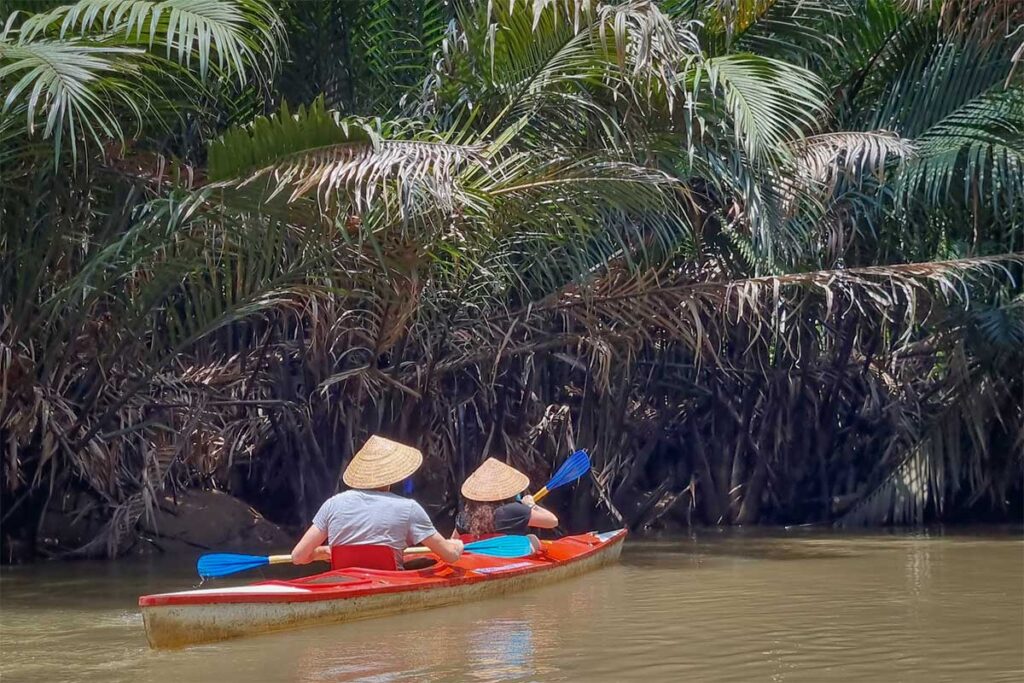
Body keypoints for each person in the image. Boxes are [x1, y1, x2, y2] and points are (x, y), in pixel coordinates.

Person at [291, 435, 464, 568]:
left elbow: (298, 557)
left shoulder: (332, 504)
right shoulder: (409, 508)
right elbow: (449, 556)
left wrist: (320, 552)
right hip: (389, 582)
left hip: (344, 583)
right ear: (393, 476)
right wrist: (457, 545)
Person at [455, 458, 558, 549]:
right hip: (505, 556)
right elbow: (552, 521)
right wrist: (531, 505)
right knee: (532, 539)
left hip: (475, 559)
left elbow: (453, 542)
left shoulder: (464, 515)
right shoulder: (514, 510)